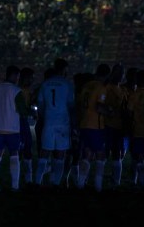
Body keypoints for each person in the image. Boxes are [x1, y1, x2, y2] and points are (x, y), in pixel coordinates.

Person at [34, 58, 75, 189]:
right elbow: (70, 105)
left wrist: (45, 116)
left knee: (44, 152)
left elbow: (40, 104)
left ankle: (37, 182)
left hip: (49, 122)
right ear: (64, 69)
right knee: (60, 154)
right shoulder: (67, 84)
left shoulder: (45, 84)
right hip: (63, 123)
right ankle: (56, 184)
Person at [0, 65, 23, 192]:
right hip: (12, 128)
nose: (18, 79)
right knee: (14, 155)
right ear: (13, 75)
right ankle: (15, 185)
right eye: (17, 76)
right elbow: (21, 109)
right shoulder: (16, 90)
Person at [77, 63, 111, 192]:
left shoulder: (86, 86)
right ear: (107, 75)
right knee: (100, 155)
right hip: (95, 126)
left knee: (87, 153)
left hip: (84, 124)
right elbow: (99, 107)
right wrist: (110, 111)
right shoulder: (101, 87)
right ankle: (98, 186)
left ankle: (80, 184)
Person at [104, 62, 129, 189]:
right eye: (119, 72)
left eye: (122, 73)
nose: (121, 75)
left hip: (118, 127)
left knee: (116, 154)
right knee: (106, 154)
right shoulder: (108, 88)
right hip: (109, 126)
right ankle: (105, 181)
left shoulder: (122, 90)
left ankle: (115, 182)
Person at [16, 67, 37, 186]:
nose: (33, 80)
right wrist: (31, 112)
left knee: (27, 149)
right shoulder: (18, 90)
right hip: (18, 123)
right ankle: (18, 178)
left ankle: (27, 179)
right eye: (31, 78)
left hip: (23, 122)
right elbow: (21, 109)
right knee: (20, 150)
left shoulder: (27, 90)